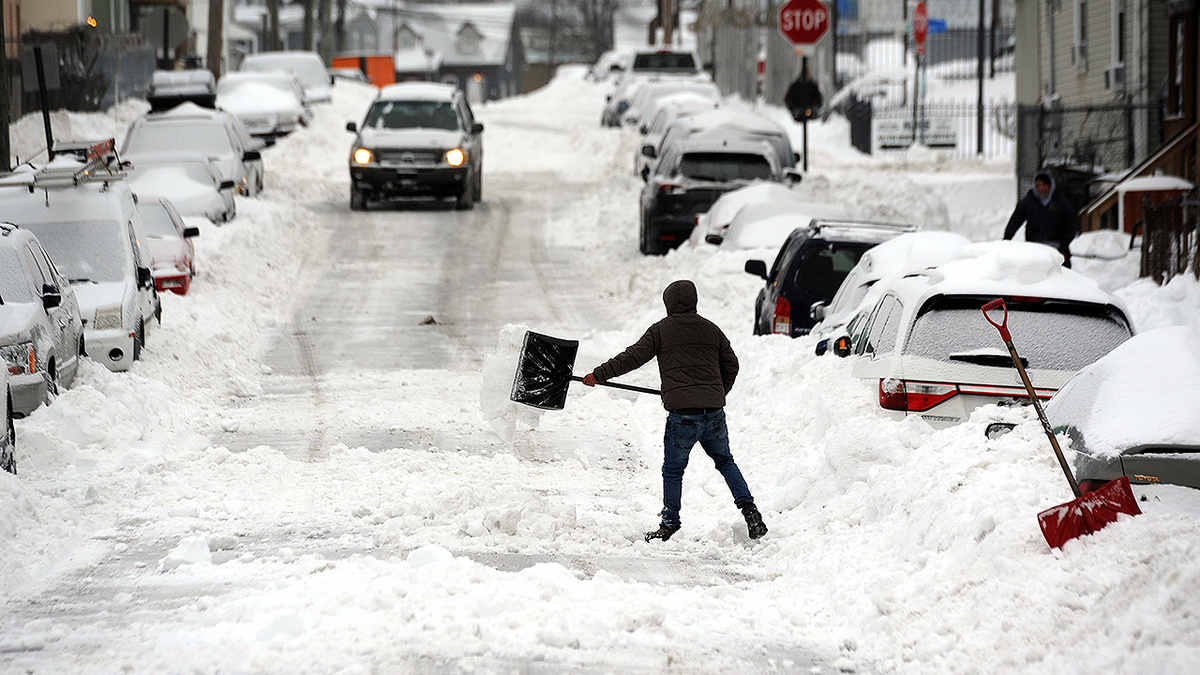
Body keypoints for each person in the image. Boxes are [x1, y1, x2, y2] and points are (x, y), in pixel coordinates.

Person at [581, 280, 768, 542]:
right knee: (725, 461)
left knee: (673, 470)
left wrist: (599, 375)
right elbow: (732, 365)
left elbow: (632, 357)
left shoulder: (661, 330)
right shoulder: (711, 330)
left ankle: (669, 523)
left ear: (668, 303)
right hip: (713, 413)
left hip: (683, 416)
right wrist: (715, 392)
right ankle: (750, 510)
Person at [1004, 171, 1079, 267]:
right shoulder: (1028, 202)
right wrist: (1006, 239)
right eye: (1038, 185)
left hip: (1057, 247)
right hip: (1034, 247)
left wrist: (1065, 243)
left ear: (1051, 186)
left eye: (1045, 185)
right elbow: (1015, 221)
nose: (1041, 188)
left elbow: (1071, 222)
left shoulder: (1061, 202)